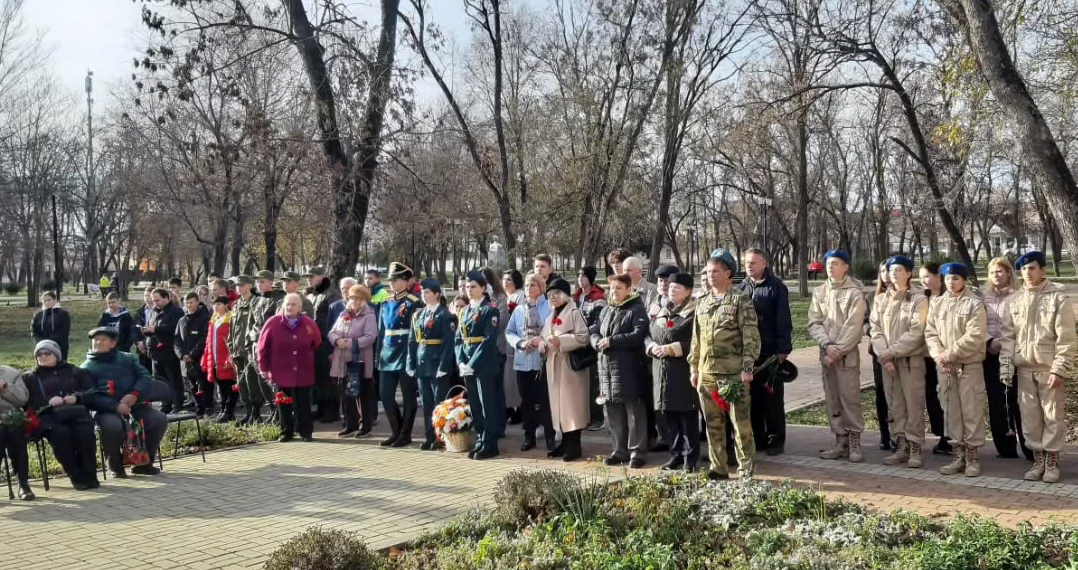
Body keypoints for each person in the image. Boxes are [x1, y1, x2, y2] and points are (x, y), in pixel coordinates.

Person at [1002, 251, 1076, 484]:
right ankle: (1038, 459)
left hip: (1047, 368)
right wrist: (1006, 369)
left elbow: (1066, 337)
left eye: (1032, 268)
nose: (1028, 273)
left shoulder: (1057, 297)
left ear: (1043, 270)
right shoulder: (1014, 300)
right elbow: (1008, 337)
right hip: (1024, 369)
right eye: (1023, 269)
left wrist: (1059, 368)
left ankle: (1052, 462)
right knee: (1030, 418)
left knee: (1053, 416)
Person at [691, 251, 761, 480]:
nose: (710, 275)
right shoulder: (702, 302)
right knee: (712, 424)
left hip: (733, 374)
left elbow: (750, 335)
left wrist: (747, 368)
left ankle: (746, 470)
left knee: (740, 425)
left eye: (715, 271)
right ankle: (718, 467)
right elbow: (696, 339)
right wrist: (694, 368)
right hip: (707, 373)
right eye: (708, 271)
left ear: (728, 273)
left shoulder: (740, 300)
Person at [925, 262, 988, 477]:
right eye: (948, 278)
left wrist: (949, 354)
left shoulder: (975, 304)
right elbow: (930, 333)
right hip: (945, 367)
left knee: (971, 411)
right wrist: (939, 356)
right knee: (951, 411)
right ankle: (958, 455)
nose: (951, 283)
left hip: (968, 366)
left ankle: (972, 458)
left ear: (964, 280)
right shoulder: (937, 303)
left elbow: (975, 335)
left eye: (956, 278)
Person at [82, 326, 166, 477]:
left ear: (113, 343)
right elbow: (90, 395)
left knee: (158, 419)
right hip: (107, 410)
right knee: (112, 426)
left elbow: (144, 376)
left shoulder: (127, 358)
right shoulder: (86, 368)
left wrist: (134, 395)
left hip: (136, 405)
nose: (97, 343)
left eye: (102, 340)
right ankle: (114, 465)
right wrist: (116, 406)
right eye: (95, 340)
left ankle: (144, 463)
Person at [869, 255, 929, 468]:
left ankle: (915, 447)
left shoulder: (918, 299)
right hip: (887, 362)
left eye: (899, 270)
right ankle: (901, 444)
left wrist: (891, 352)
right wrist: (883, 354)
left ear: (909, 273)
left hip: (909, 361)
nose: (893, 273)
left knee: (913, 405)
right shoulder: (881, 299)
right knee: (895, 405)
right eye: (891, 269)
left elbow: (916, 332)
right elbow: (874, 329)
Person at [808, 250, 867, 463]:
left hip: (846, 355)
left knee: (849, 398)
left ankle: (854, 443)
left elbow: (854, 326)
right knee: (832, 399)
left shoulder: (854, 292)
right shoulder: (820, 292)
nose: (831, 267)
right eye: (829, 264)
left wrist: (837, 350)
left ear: (845, 267)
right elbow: (814, 322)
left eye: (836, 263)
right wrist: (826, 344)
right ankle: (840, 441)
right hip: (827, 354)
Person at [737, 248, 793, 456]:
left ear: (764, 264)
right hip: (749, 353)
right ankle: (758, 437)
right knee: (753, 398)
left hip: (770, 352)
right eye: (746, 263)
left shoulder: (776, 287)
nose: (749, 266)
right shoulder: (742, 287)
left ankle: (776, 438)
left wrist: (783, 349)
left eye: (753, 262)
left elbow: (783, 319)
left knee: (772, 398)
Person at [591, 273, 650, 468]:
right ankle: (619, 450)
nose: (614, 292)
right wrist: (595, 342)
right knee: (613, 411)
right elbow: (595, 330)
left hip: (629, 368)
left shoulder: (636, 309)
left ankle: (637, 451)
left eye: (619, 288)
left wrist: (612, 341)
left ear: (628, 290)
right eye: (612, 288)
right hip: (607, 368)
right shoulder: (607, 309)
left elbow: (638, 334)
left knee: (634, 413)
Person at [23, 340, 99, 492]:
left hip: (76, 414)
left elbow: (91, 391)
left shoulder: (74, 371)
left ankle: (90, 475)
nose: (43, 356)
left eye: (47, 353)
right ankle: (76, 476)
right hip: (49, 418)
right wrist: (47, 401)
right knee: (61, 436)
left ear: (57, 355)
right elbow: (27, 401)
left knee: (85, 435)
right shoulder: (30, 377)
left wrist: (76, 397)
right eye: (39, 354)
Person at [647, 272, 700, 472]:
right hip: (661, 371)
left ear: (688, 291)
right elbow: (647, 334)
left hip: (683, 371)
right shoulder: (662, 311)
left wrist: (673, 348)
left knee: (686, 417)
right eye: (670, 287)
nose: (672, 290)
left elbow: (697, 342)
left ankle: (690, 458)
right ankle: (676, 454)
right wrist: (651, 346)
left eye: (677, 287)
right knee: (669, 416)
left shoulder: (694, 313)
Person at [983, 257, 1030, 460]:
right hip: (990, 354)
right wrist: (989, 341)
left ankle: (1029, 447)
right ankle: (1005, 447)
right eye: (993, 272)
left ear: (1009, 273)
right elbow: (976, 325)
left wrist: (1006, 342)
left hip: (1013, 354)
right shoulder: (983, 298)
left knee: (1017, 402)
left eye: (1000, 271)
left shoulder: (1019, 297)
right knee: (997, 402)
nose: (997, 276)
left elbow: (1024, 326)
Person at [258, 293, 321, 442]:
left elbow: (317, 343)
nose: (290, 307)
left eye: (293, 304)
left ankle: (306, 432)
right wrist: (264, 368)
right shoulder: (273, 323)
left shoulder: (308, 323)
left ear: (300, 307)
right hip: (281, 370)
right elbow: (262, 347)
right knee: (283, 402)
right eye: (287, 304)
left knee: (303, 403)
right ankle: (286, 432)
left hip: (303, 370)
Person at [540, 277, 590, 461]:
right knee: (560, 407)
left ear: (565, 295)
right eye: (550, 295)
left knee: (573, 408)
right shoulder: (552, 314)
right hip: (554, 365)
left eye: (556, 294)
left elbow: (583, 337)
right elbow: (545, 335)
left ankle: (575, 446)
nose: (552, 297)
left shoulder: (574, 312)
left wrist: (562, 341)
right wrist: (542, 343)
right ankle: (564, 443)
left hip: (570, 367)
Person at [455, 270, 503, 459]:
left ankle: (491, 443)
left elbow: (488, 340)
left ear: (483, 288)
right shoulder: (464, 311)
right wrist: (461, 361)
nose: (469, 290)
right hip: (468, 364)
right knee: (475, 405)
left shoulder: (490, 310)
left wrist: (472, 363)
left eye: (473, 286)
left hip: (483, 364)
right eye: (467, 286)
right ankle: (481, 439)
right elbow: (459, 339)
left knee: (487, 405)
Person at [505, 272, 555, 452]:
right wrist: (521, 342)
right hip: (523, 359)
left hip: (542, 360)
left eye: (532, 285)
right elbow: (509, 332)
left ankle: (550, 436)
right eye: (526, 285)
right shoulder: (519, 309)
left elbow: (553, 328)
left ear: (541, 288)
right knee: (526, 401)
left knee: (544, 400)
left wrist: (540, 340)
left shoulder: (549, 307)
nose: (528, 288)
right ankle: (529, 436)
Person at [407, 280, 458, 449]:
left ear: (437, 294)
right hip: (423, 362)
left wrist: (444, 366)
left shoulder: (445, 315)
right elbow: (413, 341)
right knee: (427, 402)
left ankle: (440, 437)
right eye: (423, 292)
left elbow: (448, 343)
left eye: (428, 292)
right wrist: (411, 363)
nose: (424, 295)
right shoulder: (419, 314)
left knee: (439, 403)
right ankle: (429, 436)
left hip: (437, 363)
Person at [377, 262, 422, 447]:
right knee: (386, 395)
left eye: (395, 280)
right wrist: (378, 355)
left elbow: (415, 333)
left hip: (405, 353)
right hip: (387, 354)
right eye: (391, 280)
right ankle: (395, 431)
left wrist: (413, 356)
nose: (392, 283)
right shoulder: (386, 302)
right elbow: (381, 331)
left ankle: (405, 433)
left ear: (406, 281)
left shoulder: (413, 302)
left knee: (408, 396)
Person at [329, 285, 378, 438]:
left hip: (360, 361)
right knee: (345, 392)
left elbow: (370, 337)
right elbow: (332, 332)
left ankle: (365, 426)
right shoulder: (344, 314)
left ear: (364, 300)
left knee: (362, 393)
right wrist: (337, 340)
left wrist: (348, 343)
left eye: (358, 298)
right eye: (351, 298)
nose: (354, 301)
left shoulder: (369, 315)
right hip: (342, 360)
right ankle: (350, 424)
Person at [919, 262, 952, 456]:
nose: (923, 280)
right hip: (925, 355)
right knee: (932, 397)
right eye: (921, 277)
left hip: (945, 355)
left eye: (927, 276)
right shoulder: (922, 298)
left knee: (947, 397)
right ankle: (941, 435)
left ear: (939, 277)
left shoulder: (948, 297)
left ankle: (951, 437)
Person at [304, 267, 343, 424]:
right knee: (319, 378)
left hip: (327, 340)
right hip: (314, 341)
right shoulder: (310, 294)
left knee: (329, 379)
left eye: (312, 276)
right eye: (307, 276)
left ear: (322, 277)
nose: (309, 279)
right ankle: (321, 409)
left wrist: (333, 346)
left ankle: (332, 411)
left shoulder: (332, 295)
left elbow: (336, 320)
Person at [247, 271, 284, 424]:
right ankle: (272, 408)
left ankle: (280, 410)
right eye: (257, 282)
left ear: (270, 282)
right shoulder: (255, 301)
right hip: (256, 344)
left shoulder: (278, 300)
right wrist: (249, 344)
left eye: (262, 282)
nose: (258, 284)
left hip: (270, 345)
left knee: (273, 380)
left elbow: (277, 323)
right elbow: (251, 324)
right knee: (261, 379)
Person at [574, 266, 607, 431]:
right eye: (579, 275)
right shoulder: (576, 296)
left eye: (584, 276)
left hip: (591, 344)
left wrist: (584, 334)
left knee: (594, 382)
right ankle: (584, 416)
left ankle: (598, 417)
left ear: (591, 278)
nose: (581, 279)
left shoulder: (598, 297)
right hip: (577, 344)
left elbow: (597, 322)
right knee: (580, 383)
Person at [143, 288, 186, 413]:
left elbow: (175, 329)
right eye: (153, 300)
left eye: (157, 300)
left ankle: (177, 405)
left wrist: (156, 329)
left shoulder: (176, 312)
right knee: (161, 380)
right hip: (156, 352)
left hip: (169, 351)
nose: (155, 303)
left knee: (173, 380)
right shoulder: (154, 312)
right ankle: (165, 404)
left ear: (166, 298)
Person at [481, 266, 513, 438]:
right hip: (479, 352)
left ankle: (499, 425)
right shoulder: (477, 300)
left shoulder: (500, 299)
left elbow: (498, 324)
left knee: (496, 390)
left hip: (496, 349)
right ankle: (486, 424)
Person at [867, 261, 894, 451]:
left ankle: (901, 434)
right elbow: (867, 324)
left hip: (902, 351)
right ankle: (885, 434)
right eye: (882, 270)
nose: (886, 274)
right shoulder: (871, 296)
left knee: (900, 395)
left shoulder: (911, 295)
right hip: (879, 352)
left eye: (890, 271)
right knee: (882, 393)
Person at [175, 292, 214, 418]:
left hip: (200, 358)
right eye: (186, 302)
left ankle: (208, 407)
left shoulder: (204, 318)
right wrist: (182, 355)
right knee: (192, 385)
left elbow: (204, 338)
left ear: (197, 302)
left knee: (204, 385)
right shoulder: (181, 320)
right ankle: (199, 408)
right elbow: (177, 340)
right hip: (186, 360)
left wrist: (193, 354)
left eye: (191, 302)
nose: (188, 305)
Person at [202, 296, 238, 421]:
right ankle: (224, 410)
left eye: (219, 304)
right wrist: (206, 357)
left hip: (227, 360)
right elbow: (208, 341)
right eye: (214, 304)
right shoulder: (214, 319)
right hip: (216, 359)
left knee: (230, 387)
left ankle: (228, 411)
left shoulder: (231, 319)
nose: (216, 307)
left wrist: (230, 357)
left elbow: (234, 340)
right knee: (221, 387)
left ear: (226, 305)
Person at [0, 365, 32, 498]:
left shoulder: (11, 373)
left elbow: (22, 399)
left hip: (11, 418)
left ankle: (23, 483)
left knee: (15, 431)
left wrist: (6, 387)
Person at [32, 290, 71, 361]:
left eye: (49, 300)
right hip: (42, 347)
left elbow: (64, 330)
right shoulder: (38, 315)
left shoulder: (63, 314)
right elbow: (34, 330)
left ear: (55, 300)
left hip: (59, 346)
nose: (47, 302)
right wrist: (41, 342)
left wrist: (50, 342)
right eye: (44, 300)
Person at [133, 286, 156, 371]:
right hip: (141, 346)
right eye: (145, 296)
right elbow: (134, 329)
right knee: (143, 371)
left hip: (153, 345)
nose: (146, 298)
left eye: (148, 296)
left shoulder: (159, 311)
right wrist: (138, 343)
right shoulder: (140, 312)